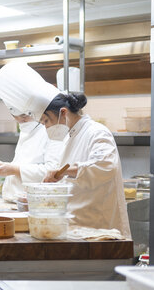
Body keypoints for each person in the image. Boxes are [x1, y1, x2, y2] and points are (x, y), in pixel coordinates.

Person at [41, 92, 131, 238]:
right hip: (78, 224)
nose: (46, 127)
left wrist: (64, 171)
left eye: (46, 121)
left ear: (63, 113)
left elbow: (106, 166)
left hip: (100, 225)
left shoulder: (96, 132)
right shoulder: (69, 137)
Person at [0, 104, 64, 202]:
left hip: (38, 202)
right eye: (15, 116)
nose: (20, 120)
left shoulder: (52, 131)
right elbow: (25, 162)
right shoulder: (26, 128)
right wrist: (4, 166)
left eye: (24, 116)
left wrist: (13, 169)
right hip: (16, 199)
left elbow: (53, 171)